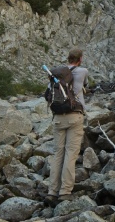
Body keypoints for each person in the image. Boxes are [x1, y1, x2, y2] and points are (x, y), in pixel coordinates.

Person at [44, 48, 89, 206]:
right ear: (80, 59)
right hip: (75, 116)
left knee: (58, 154)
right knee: (71, 154)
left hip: (58, 117)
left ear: (68, 58)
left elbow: (48, 94)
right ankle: (65, 192)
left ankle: (51, 192)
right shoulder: (83, 71)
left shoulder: (56, 73)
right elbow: (85, 86)